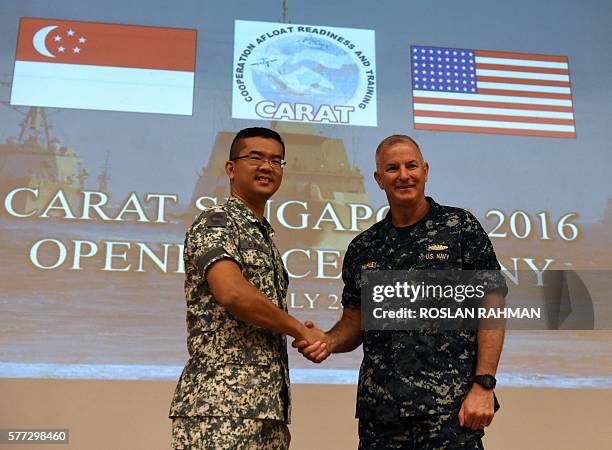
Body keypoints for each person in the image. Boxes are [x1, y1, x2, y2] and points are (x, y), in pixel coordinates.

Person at [295, 135, 507, 449]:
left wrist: (484, 384)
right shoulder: (363, 248)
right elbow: (355, 322)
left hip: (448, 410)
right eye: (392, 168)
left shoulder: (459, 227)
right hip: (381, 416)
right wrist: (328, 341)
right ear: (380, 179)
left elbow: (492, 307)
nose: (404, 175)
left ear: (425, 170)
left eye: (411, 166)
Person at [169, 127, 326, 449]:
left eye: (275, 161)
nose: (267, 167)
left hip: (267, 410)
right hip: (219, 408)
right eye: (255, 158)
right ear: (230, 168)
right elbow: (233, 293)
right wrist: (299, 329)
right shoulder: (217, 221)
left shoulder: (265, 236)